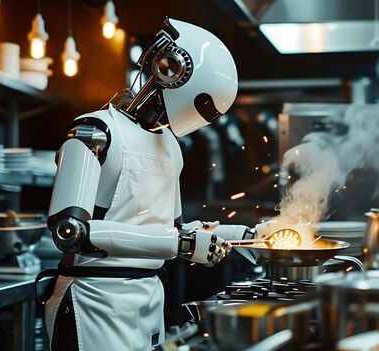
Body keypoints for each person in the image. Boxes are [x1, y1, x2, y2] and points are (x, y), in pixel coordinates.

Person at [37, 18, 256, 350]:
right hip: (94, 302)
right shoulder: (95, 132)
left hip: (149, 299)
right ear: (171, 71)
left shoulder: (170, 144)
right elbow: (70, 232)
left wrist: (249, 238)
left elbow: (175, 227)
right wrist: (181, 244)